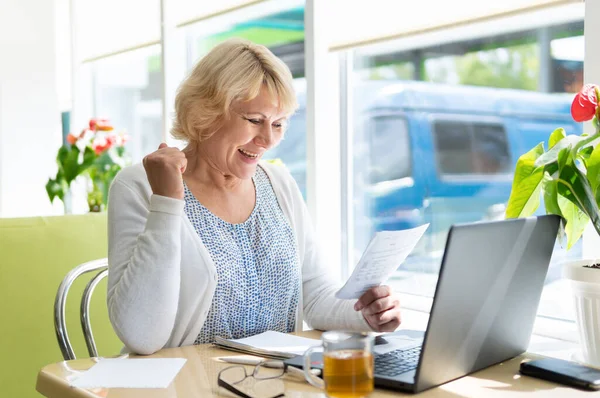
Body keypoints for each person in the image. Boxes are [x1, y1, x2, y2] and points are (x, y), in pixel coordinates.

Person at [107, 38, 402, 355]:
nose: (268, 139)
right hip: (184, 385)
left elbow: (315, 294)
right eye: (254, 120)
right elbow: (142, 336)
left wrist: (365, 314)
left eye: (278, 123)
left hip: (269, 382)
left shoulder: (279, 184)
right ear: (207, 111)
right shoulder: (139, 186)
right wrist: (166, 204)